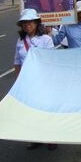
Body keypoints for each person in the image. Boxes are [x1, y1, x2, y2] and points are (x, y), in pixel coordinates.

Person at [14, 9, 56, 150]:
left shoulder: (46, 39)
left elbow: (51, 61)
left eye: (30, 22)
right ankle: (35, 137)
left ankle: (51, 137)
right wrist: (18, 82)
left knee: (46, 108)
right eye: (24, 23)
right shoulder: (20, 41)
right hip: (27, 82)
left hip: (43, 81)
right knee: (31, 110)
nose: (27, 25)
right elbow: (17, 62)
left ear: (37, 23)